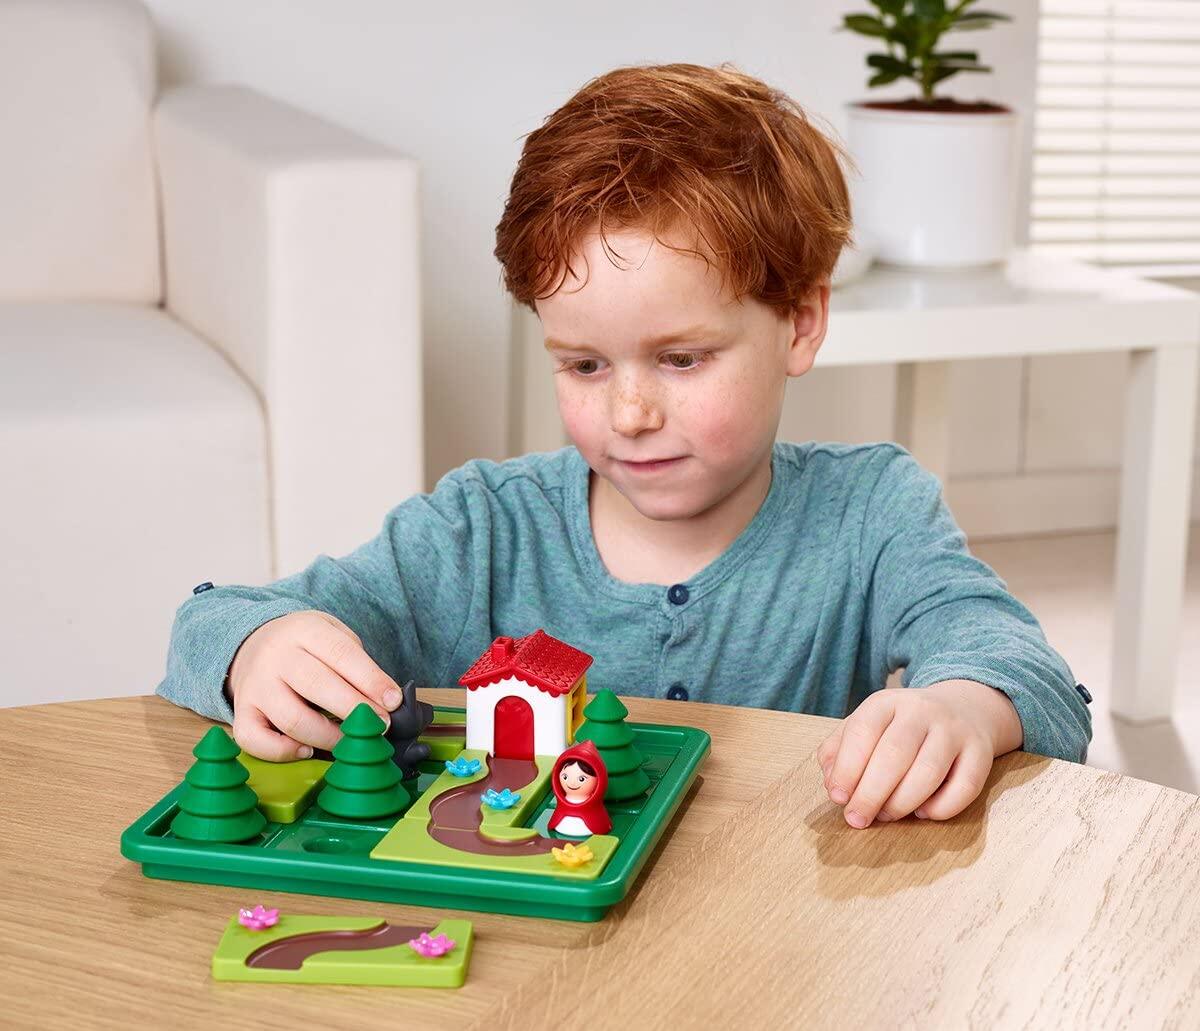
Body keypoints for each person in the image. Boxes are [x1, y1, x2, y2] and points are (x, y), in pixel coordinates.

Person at [157, 62, 1092, 831]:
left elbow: (1031, 675)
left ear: (801, 323)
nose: (631, 412)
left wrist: (962, 706)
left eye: (681, 359)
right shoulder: (481, 528)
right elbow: (208, 624)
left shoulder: (873, 512)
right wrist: (256, 647)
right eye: (585, 365)